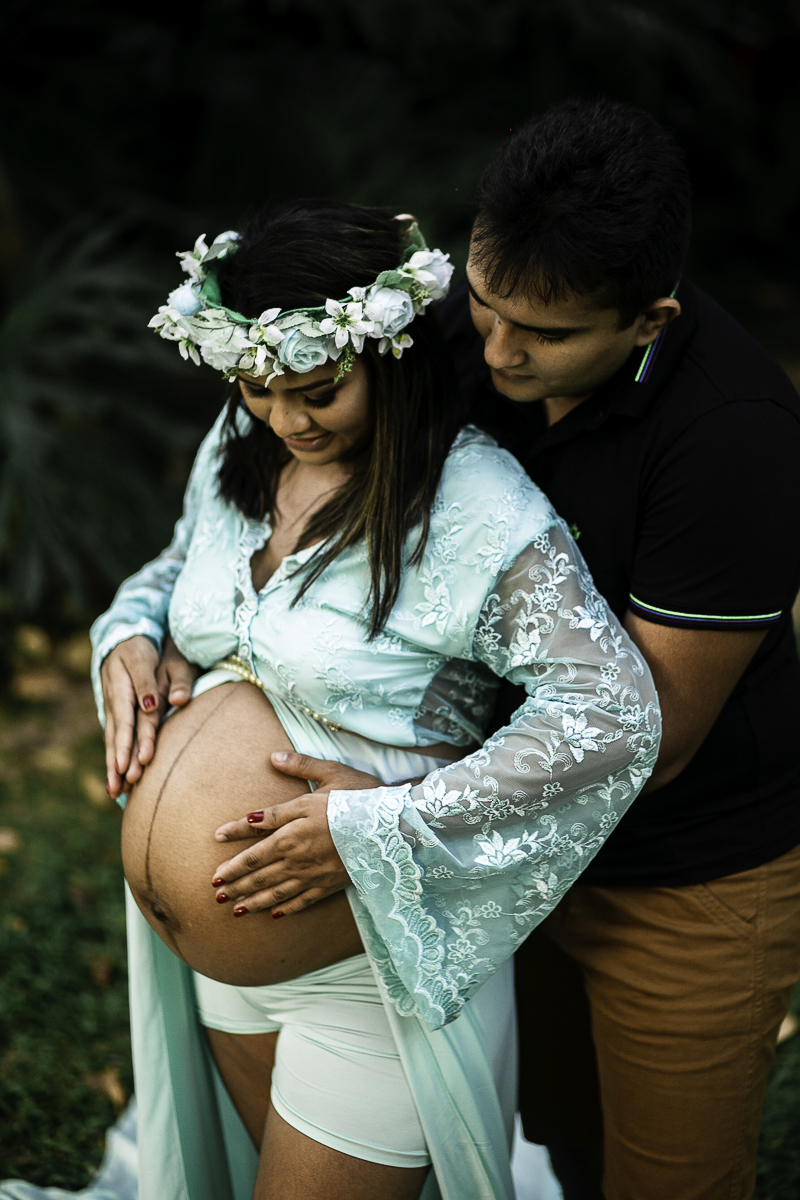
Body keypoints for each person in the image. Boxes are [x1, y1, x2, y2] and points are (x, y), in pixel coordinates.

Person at [168, 101, 800, 1199]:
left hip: (681, 869)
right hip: (489, 845)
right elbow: (258, 514)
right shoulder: (437, 332)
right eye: (484, 303)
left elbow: (650, 738)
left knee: (666, 1178)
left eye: (543, 336)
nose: (494, 352)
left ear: (646, 322)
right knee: (555, 1136)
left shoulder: (734, 435)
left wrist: (387, 815)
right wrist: (142, 631)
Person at [92, 200, 660, 1200]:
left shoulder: (476, 509)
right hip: (223, 969)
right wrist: (129, 637)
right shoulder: (250, 436)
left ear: (390, 355)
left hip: (364, 971)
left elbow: (608, 715)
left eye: (313, 391)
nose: (283, 418)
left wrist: (384, 819)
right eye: (255, 388)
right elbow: (182, 565)